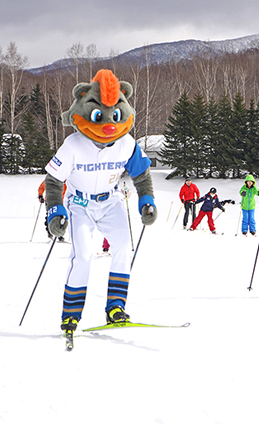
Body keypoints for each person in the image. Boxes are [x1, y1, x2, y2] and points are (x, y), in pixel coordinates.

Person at [43, 70, 156, 337]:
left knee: (123, 249)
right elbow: (53, 181)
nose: (108, 125)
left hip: (111, 201)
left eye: (115, 116)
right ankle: (71, 315)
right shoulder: (73, 145)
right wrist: (55, 211)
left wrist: (147, 202)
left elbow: (141, 174)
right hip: (80, 203)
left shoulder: (126, 143)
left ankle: (116, 308)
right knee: (82, 256)